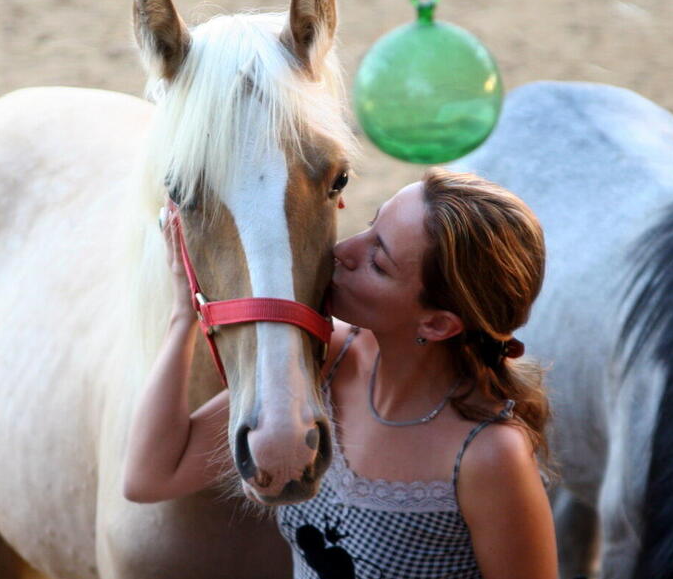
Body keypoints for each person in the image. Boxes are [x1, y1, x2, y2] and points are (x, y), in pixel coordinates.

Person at [123, 168, 558, 579]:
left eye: (378, 261)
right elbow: (151, 476)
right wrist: (184, 315)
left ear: (437, 323)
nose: (344, 252)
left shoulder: (489, 456)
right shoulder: (326, 361)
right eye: (369, 225)